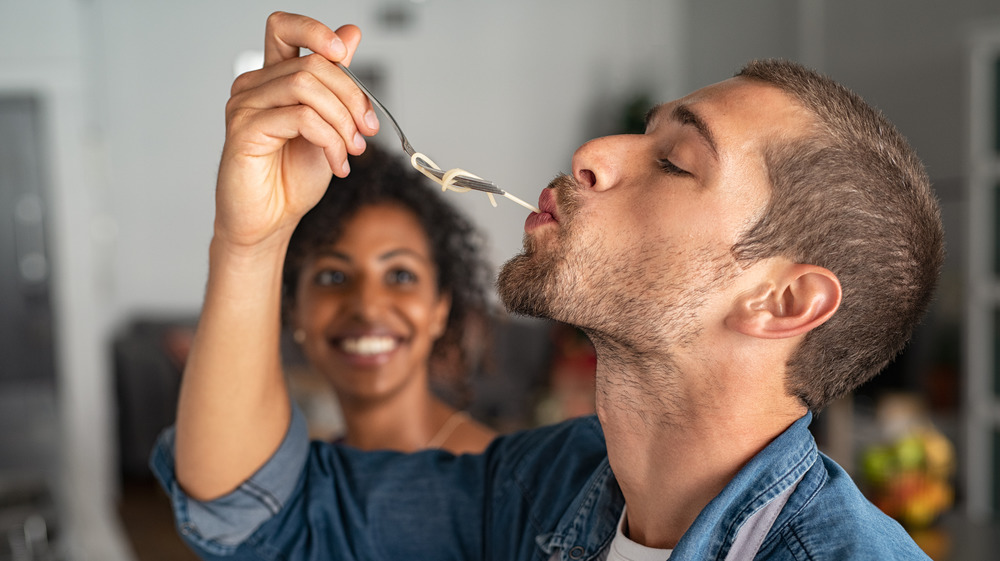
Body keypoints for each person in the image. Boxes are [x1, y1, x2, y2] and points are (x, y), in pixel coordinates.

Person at [152, 11, 942, 560]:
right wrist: (252, 239)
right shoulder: (546, 489)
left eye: (674, 162)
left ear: (783, 301)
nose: (595, 150)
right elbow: (254, 512)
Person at [282, 144, 497, 454]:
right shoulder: (301, 474)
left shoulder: (499, 482)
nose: (367, 309)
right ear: (295, 309)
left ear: (440, 308)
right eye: (334, 276)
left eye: (400, 276)